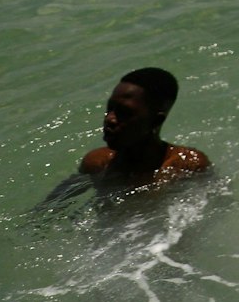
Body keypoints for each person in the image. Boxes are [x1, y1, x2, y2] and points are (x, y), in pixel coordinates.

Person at [39, 67, 211, 207]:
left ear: (156, 121)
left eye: (124, 113)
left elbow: (216, 209)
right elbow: (50, 209)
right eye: (110, 109)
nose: (110, 119)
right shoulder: (97, 164)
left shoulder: (187, 166)